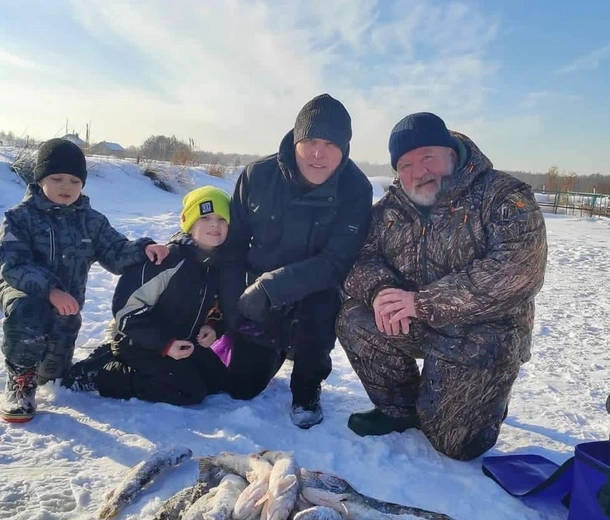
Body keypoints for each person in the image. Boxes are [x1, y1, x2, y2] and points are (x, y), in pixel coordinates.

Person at [336, 112, 548, 460]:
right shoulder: (389, 209)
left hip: (483, 334)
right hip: (418, 323)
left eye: (427, 157)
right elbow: (360, 258)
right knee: (354, 318)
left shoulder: (504, 196)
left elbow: (518, 271)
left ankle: (478, 404)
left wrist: (420, 302)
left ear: (451, 151)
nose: (418, 172)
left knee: (457, 445)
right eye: (405, 165)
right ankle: (399, 410)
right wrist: (381, 292)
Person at [221, 93, 373, 429]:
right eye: (311, 140)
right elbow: (231, 249)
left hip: (315, 289)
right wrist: (235, 310)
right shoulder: (256, 176)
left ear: (345, 149)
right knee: (241, 387)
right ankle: (274, 345)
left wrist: (272, 287)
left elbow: (337, 261)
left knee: (323, 304)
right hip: (258, 295)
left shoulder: (357, 188)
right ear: (296, 140)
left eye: (331, 144)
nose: (319, 153)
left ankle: (307, 384)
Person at [0, 138, 168, 423]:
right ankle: (20, 380)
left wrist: (144, 248)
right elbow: (13, 265)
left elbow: (115, 251)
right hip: (26, 295)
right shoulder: (19, 218)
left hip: (67, 311)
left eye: (74, 181)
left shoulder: (92, 221)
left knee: (53, 378)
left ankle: (49, 371)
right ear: (40, 179)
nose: (66, 187)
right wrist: (51, 290)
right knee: (27, 308)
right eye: (57, 179)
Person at [61, 186, 231, 407]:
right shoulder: (168, 260)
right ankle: (100, 373)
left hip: (180, 340)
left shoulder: (216, 266)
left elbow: (218, 306)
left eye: (221, 219)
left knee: (217, 380)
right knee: (190, 392)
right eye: (205, 217)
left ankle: (123, 360)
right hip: (138, 341)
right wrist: (165, 345)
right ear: (188, 222)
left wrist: (212, 326)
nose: (214, 225)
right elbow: (126, 310)